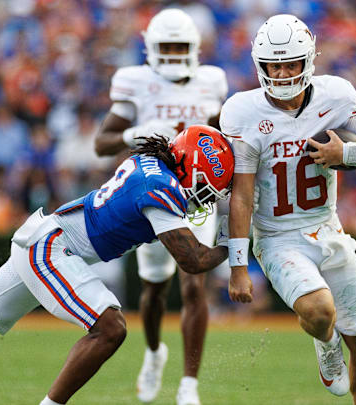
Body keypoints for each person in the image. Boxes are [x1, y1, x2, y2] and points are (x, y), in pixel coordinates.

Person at [0, 125, 234, 405]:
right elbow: (193, 260)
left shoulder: (149, 165)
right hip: (52, 248)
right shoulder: (162, 187)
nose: (204, 196)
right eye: (205, 186)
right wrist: (234, 245)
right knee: (110, 326)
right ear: (189, 165)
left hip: (42, 237)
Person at [222, 14, 356, 404]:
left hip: (329, 230)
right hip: (279, 238)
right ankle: (325, 342)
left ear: (308, 62)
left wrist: (347, 152)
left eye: (291, 63)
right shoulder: (242, 112)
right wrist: (237, 267)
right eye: (274, 64)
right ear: (260, 65)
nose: (283, 73)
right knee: (320, 312)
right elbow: (242, 195)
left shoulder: (335, 96)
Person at [94, 9, 227, 405]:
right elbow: (102, 143)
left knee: (193, 283)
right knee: (153, 291)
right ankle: (154, 353)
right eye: (165, 46)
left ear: (194, 49)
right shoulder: (136, 82)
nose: (171, 54)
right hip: (153, 195)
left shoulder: (211, 82)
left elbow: (223, 137)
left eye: (178, 47)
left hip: (199, 196)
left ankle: (189, 385)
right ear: (150, 47)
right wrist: (136, 133)